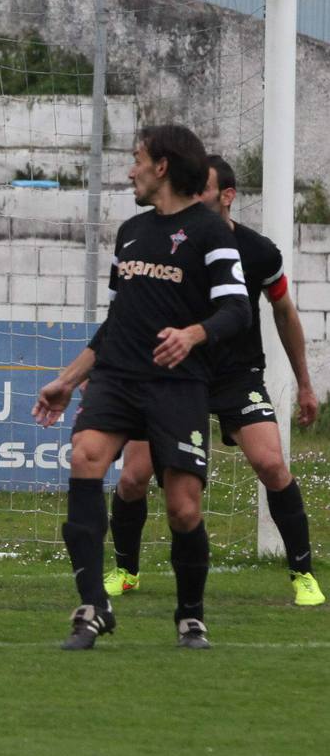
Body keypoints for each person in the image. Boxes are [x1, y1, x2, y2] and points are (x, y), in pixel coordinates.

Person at [33, 124, 250, 650]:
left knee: (184, 508)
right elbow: (116, 323)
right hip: (118, 379)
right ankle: (93, 607)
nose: (130, 169)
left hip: (178, 387)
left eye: (136, 159)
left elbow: (238, 309)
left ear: (162, 166)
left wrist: (194, 334)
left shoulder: (211, 233)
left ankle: (191, 616)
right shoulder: (129, 232)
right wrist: (67, 380)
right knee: (85, 456)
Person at [104, 156, 324, 606]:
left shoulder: (257, 251)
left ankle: (303, 573)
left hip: (233, 374)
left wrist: (304, 382)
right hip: (171, 373)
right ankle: (126, 570)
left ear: (226, 196)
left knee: (272, 465)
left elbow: (283, 312)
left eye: (201, 189)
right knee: (131, 479)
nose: (192, 196)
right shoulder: (159, 239)